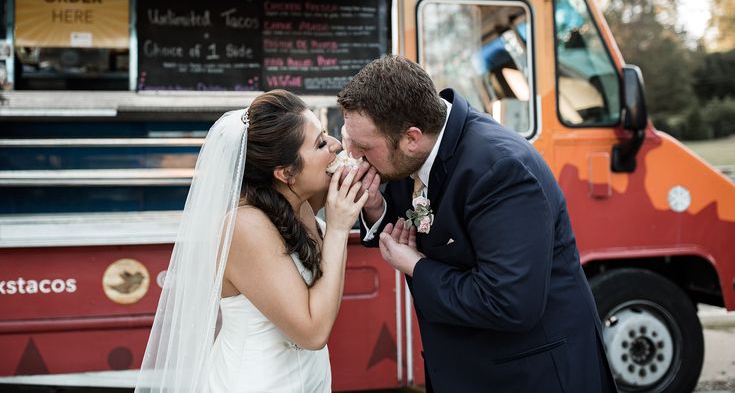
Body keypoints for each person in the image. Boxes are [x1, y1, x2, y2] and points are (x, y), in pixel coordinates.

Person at [337, 55, 618, 392]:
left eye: (363, 145)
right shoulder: (412, 152)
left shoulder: (501, 170)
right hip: (471, 369)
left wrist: (417, 266)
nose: (351, 153)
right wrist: (375, 206)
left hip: (530, 374)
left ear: (412, 137)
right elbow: (405, 225)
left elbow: (510, 303)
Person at [136, 90, 368, 393]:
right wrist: (337, 230)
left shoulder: (301, 207)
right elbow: (312, 332)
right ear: (286, 173)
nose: (336, 145)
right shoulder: (245, 226)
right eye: (321, 143)